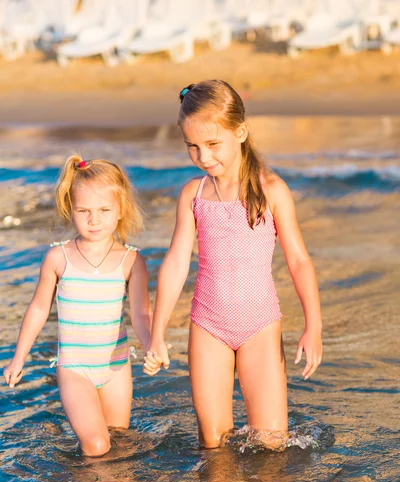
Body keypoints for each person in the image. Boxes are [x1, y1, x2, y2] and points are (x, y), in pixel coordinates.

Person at [143, 80, 322, 451]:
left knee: (272, 446)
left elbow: (299, 260)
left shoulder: (270, 189)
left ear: (239, 132)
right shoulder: (193, 194)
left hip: (260, 326)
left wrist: (313, 326)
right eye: (192, 146)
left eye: (212, 145)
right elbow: (176, 262)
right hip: (208, 325)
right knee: (213, 446)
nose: (203, 157)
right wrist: (157, 332)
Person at [3, 155, 152, 457]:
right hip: (75, 369)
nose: (93, 219)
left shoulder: (131, 260)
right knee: (96, 445)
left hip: (116, 367)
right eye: (84, 210)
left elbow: (140, 312)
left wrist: (151, 345)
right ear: (70, 210)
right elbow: (38, 309)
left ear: (120, 209)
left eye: (103, 210)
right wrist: (19, 357)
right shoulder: (59, 258)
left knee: (117, 445)